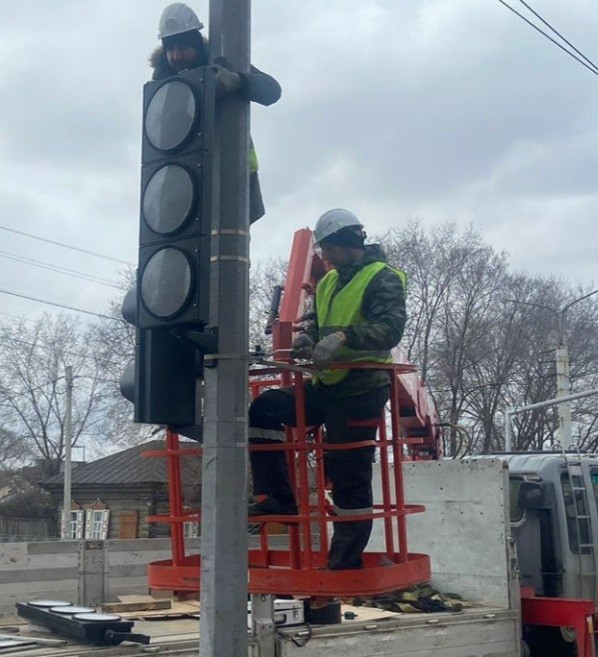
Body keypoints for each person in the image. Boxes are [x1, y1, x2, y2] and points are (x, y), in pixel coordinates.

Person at [247, 209, 407, 571]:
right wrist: (308, 338)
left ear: (347, 243)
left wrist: (344, 337)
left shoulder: (383, 277)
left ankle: (344, 562)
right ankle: (277, 497)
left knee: (348, 470)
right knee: (265, 408)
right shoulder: (329, 282)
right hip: (328, 384)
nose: (325, 257)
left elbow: (389, 329)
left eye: (328, 249)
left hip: (363, 387)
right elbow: (318, 325)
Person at [150, 2, 281, 224]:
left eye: (184, 47)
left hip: (233, 177)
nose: (176, 55)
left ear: (197, 45)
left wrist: (237, 80)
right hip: (185, 177)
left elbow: (272, 90)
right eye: (171, 49)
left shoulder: (221, 60)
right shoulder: (162, 84)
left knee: (226, 235)